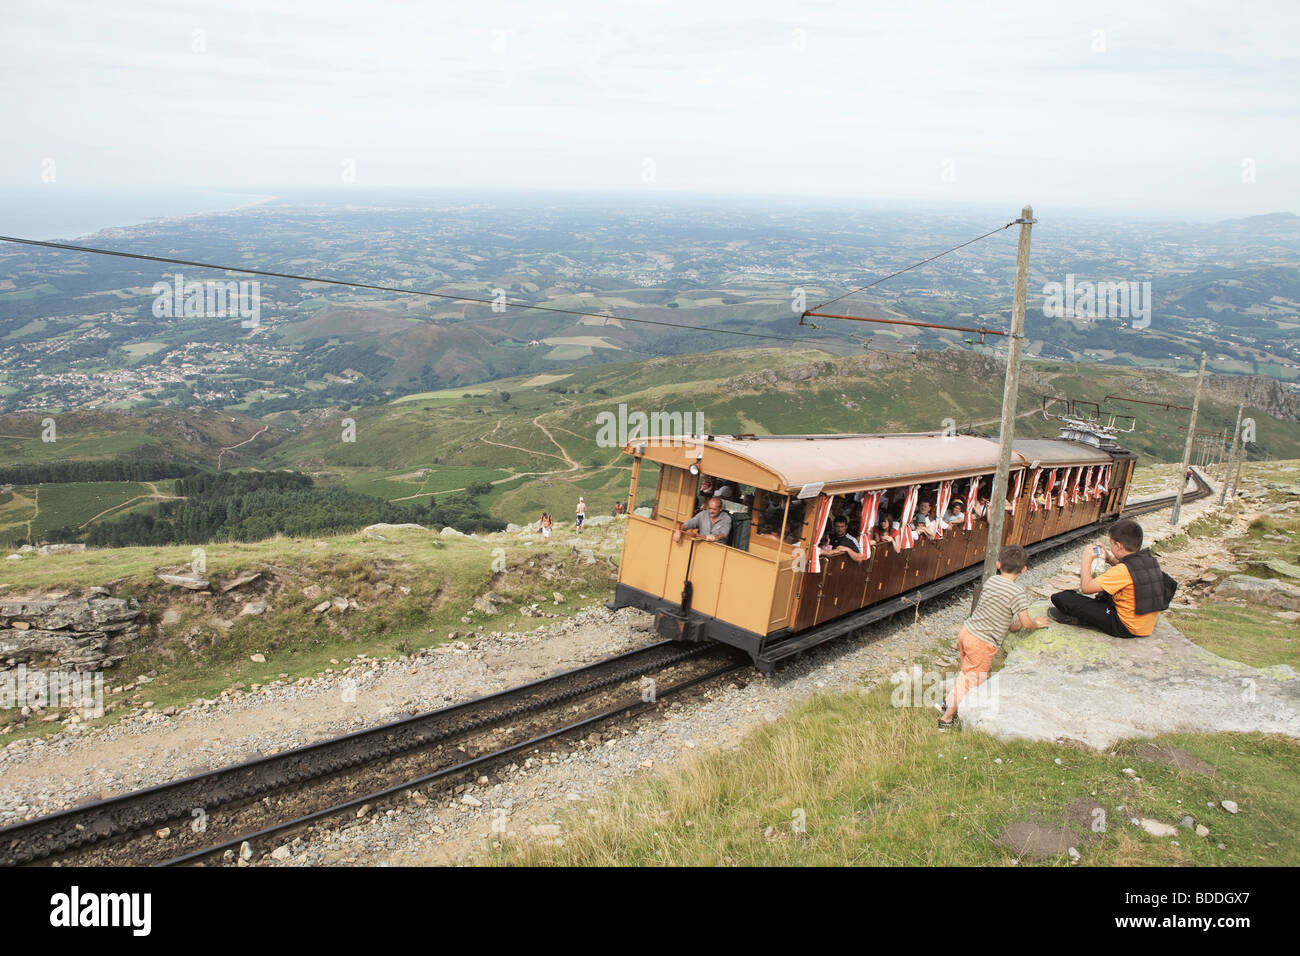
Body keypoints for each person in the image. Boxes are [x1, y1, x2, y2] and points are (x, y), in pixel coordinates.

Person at [938, 545, 1048, 728]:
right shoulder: (1017, 593)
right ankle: (946, 719)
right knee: (972, 680)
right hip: (982, 643)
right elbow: (1027, 623)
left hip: (967, 632)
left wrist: (1015, 625)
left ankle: (946, 702)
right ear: (1024, 569)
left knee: (966, 673)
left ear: (998, 564)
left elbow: (1006, 621)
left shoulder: (991, 581)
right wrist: (1037, 623)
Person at [1048, 519, 1175, 638]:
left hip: (1124, 626)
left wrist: (1086, 559)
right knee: (1103, 593)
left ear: (1118, 546)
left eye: (1111, 544)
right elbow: (1132, 574)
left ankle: (1082, 619)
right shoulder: (1149, 560)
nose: (1111, 547)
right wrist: (1109, 558)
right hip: (1144, 625)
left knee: (1062, 598)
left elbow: (1086, 587)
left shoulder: (1121, 571)